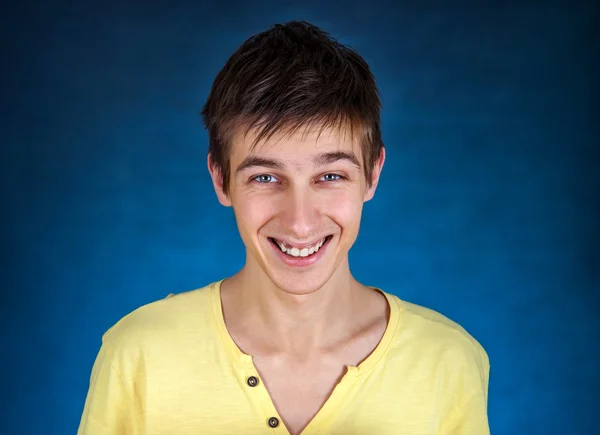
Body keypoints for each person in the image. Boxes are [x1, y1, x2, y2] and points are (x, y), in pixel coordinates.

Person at [78, 20, 490, 435]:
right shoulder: (139, 353)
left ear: (373, 174)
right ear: (220, 179)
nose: (299, 221)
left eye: (330, 176)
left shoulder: (447, 360)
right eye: (265, 178)